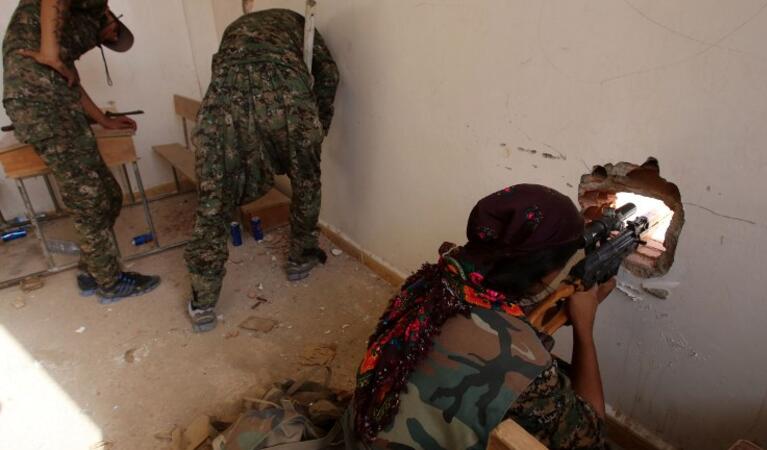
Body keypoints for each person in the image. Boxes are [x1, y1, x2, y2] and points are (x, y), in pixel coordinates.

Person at [345, 184, 615, 450]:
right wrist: (584, 327)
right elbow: (590, 438)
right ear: (543, 273)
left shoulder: (430, 282)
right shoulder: (526, 365)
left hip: (361, 434)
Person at [184, 9, 339, 332]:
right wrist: (319, 123)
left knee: (214, 196)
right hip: (286, 90)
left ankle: (203, 302)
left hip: (226, 94)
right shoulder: (300, 23)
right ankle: (300, 258)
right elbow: (328, 74)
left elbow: (221, 71)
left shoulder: (233, 28)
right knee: (306, 181)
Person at [3, 0, 161, 302]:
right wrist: (50, 53)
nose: (107, 39)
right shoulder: (73, 22)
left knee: (109, 194)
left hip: (58, 106)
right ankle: (110, 283)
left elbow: (72, 84)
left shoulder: (57, 43)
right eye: (110, 34)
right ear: (108, 18)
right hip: (41, 105)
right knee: (89, 202)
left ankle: (93, 268)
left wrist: (104, 120)